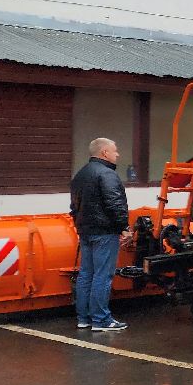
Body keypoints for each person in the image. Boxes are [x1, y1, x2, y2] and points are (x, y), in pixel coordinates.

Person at [69, 137, 131, 332]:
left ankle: (84, 318)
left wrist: (80, 226)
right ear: (104, 152)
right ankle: (101, 320)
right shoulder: (107, 175)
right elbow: (115, 204)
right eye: (115, 150)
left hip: (86, 231)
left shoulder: (80, 175)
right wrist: (124, 227)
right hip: (104, 233)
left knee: (86, 274)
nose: (117, 154)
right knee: (102, 275)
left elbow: (74, 207)